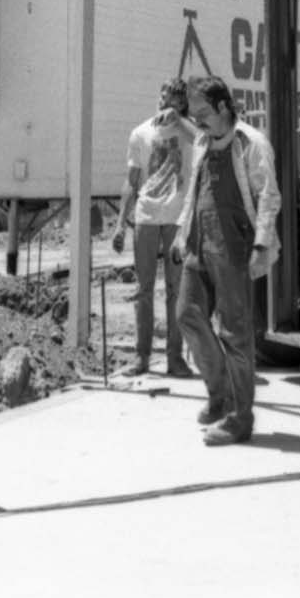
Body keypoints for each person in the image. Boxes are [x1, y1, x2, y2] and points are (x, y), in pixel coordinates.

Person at [171, 74, 281, 446]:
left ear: (222, 107)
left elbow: (269, 197)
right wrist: (180, 233)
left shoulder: (251, 144)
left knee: (235, 333)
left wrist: (263, 243)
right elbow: (194, 191)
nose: (197, 120)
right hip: (198, 246)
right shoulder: (203, 141)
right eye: (194, 114)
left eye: (203, 112)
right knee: (186, 313)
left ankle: (239, 418)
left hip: (234, 249)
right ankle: (219, 393)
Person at [111, 78, 196, 379]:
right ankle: (141, 357)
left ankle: (175, 358)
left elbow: (205, 144)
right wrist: (121, 223)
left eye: (174, 99)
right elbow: (131, 180)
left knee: (176, 290)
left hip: (176, 218)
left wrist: (182, 121)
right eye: (164, 97)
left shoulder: (189, 132)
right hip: (146, 217)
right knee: (143, 289)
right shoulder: (141, 133)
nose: (166, 103)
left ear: (182, 103)